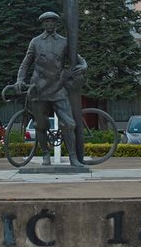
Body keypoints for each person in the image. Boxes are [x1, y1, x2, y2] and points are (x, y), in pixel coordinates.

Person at [15, 12, 87, 167]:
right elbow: (26, 63)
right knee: (40, 125)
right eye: (46, 22)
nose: (49, 24)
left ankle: (73, 158)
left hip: (59, 89)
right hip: (39, 89)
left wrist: (84, 65)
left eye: (52, 22)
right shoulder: (35, 42)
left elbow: (79, 59)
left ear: (56, 24)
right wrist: (20, 79)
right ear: (43, 24)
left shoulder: (64, 42)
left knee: (69, 124)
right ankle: (46, 155)